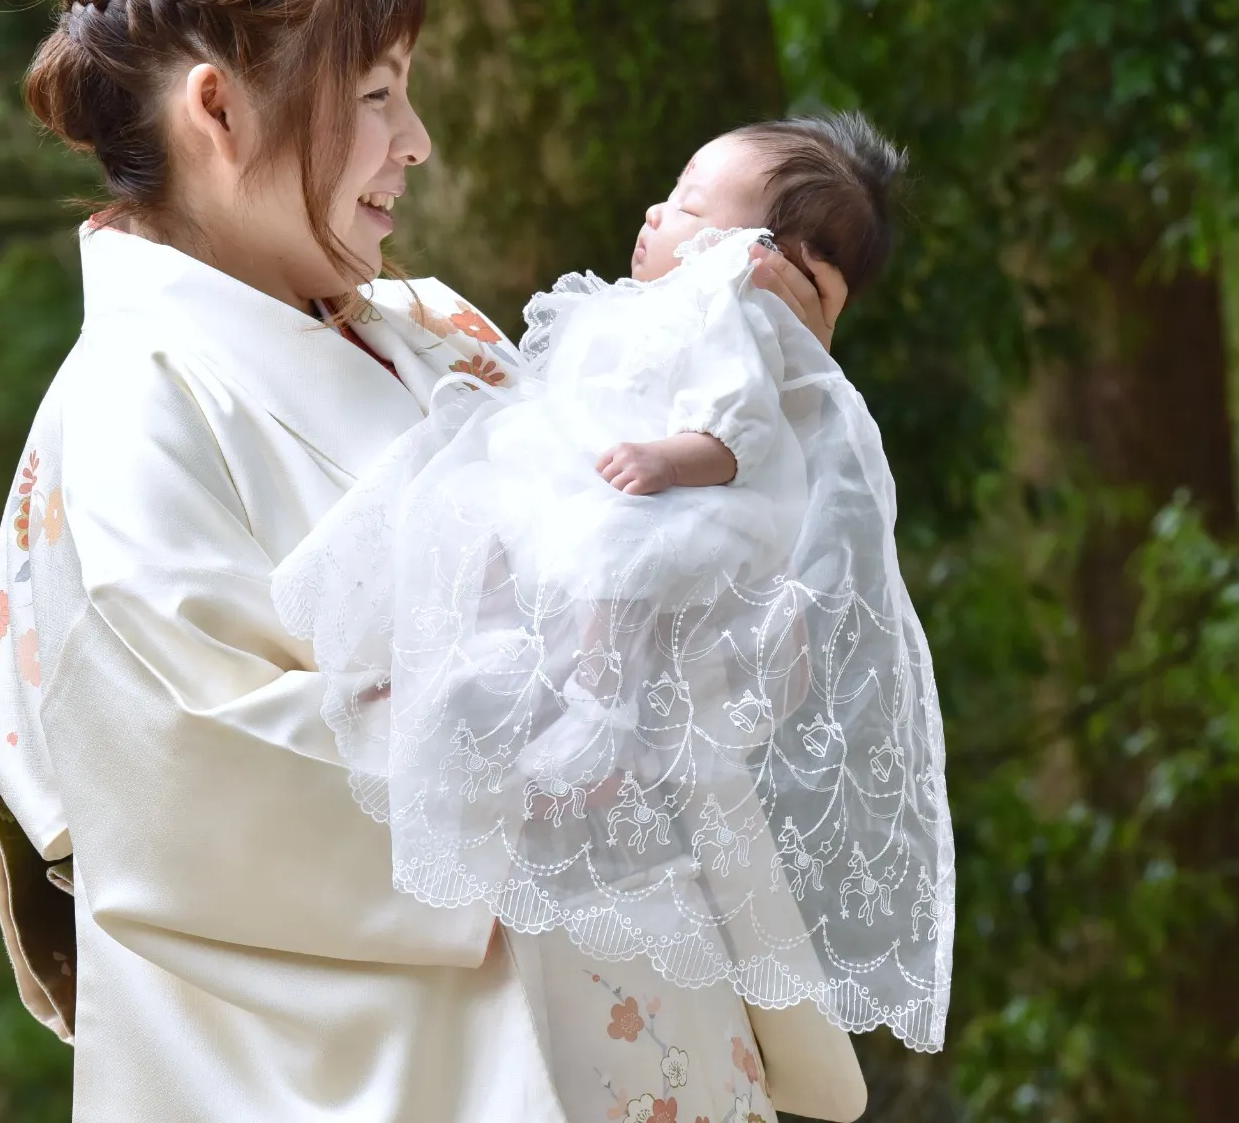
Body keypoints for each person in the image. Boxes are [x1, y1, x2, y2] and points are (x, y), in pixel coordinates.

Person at [0, 0, 864, 1122]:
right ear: (218, 111)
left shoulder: (438, 331)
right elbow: (195, 780)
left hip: (642, 1015)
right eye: (378, 94)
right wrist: (571, 728)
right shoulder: (127, 406)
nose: (417, 143)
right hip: (419, 1065)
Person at [271, 114, 956, 1067]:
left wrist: (668, 454)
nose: (653, 210)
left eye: (685, 205)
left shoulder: (731, 317)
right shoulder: (633, 312)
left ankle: (587, 716)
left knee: (604, 582)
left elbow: (737, 429)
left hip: (684, 510)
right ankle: (496, 696)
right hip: (623, 498)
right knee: (499, 522)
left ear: (760, 256)